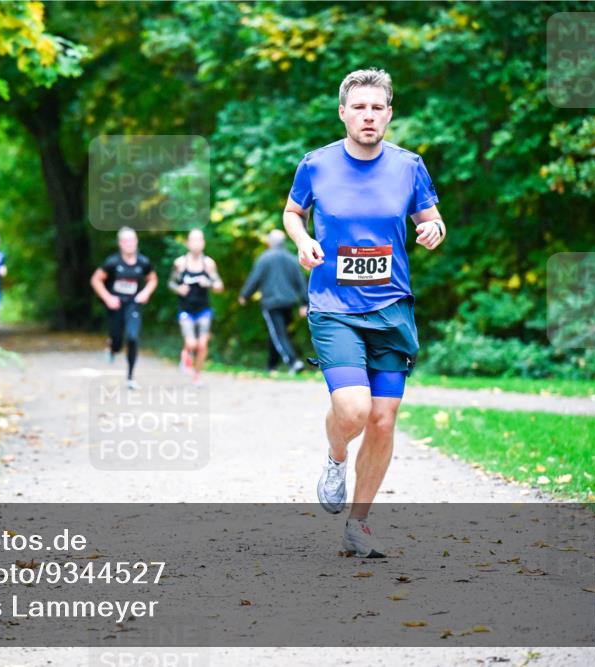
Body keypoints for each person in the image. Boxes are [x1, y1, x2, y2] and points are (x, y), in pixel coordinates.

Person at [282, 68, 446, 557]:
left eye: (378, 107)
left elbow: (430, 216)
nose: (368, 115)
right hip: (334, 307)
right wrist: (303, 239)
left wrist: (434, 229)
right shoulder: (316, 164)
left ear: (389, 114)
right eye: (359, 107)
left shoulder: (409, 166)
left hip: (392, 309)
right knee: (353, 411)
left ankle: (360, 523)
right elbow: (293, 212)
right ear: (343, 113)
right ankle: (336, 457)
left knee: (382, 419)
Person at [90, 227, 158, 389]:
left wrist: (145, 293)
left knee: (133, 337)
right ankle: (112, 347)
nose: (129, 244)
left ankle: (130, 377)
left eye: (132, 240)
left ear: (136, 242)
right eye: (125, 241)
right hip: (115, 305)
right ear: (120, 243)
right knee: (117, 342)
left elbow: (153, 279)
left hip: (133, 304)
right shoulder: (112, 262)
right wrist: (108, 298)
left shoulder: (143, 262)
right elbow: (96, 280)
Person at [238, 229, 309, 375]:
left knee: (278, 334)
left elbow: (254, 279)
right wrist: (304, 303)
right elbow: (300, 282)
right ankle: (271, 366)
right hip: (289, 302)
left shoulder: (264, 258)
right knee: (277, 333)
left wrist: (244, 295)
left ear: (270, 243)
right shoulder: (291, 258)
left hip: (272, 303)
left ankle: (294, 362)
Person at [168, 228, 224, 383]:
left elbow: (220, 286)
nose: (196, 243)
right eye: (193, 240)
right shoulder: (180, 263)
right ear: (187, 243)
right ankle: (186, 355)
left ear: (203, 243)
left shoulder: (208, 264)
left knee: (202, 344)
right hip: (185, 309)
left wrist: (210, 283)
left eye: (199, 240)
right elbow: (171, 283)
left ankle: (196, 375)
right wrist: (179, 289)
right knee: (191, 342)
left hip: (203, 309)